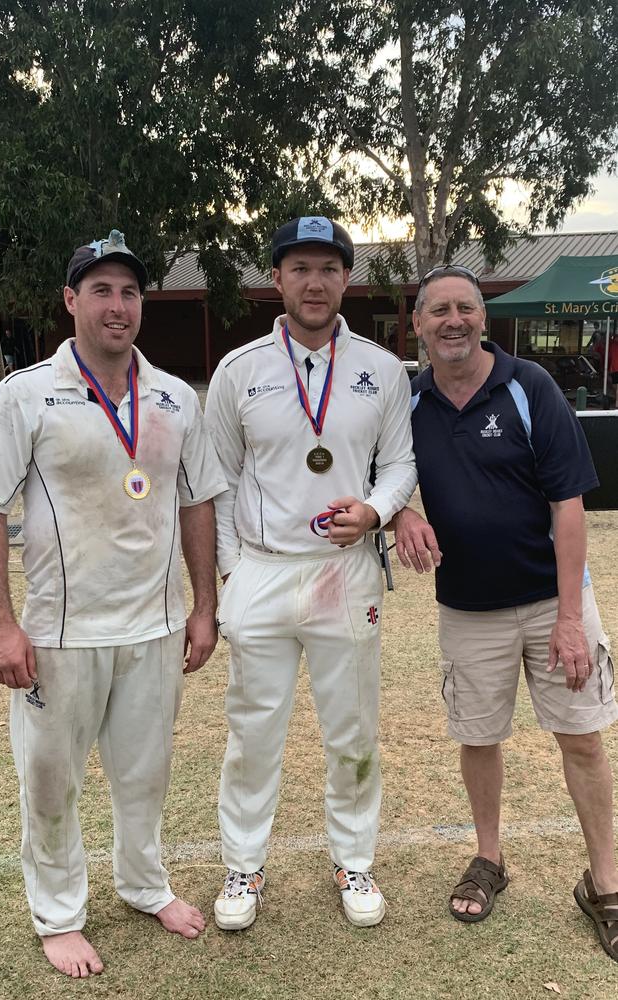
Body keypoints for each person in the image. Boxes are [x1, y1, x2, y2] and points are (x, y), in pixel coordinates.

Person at [0, 230, 227, 977]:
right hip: (58, 633)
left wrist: (203, 606)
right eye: (102, 290)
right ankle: (58, 915)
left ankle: (144, 884)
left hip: (153, 627)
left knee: (146, 773)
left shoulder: (176, 396)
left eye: (130, 292)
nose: (118, 306)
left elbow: (198, 501)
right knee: (52, 780)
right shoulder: (25, 394)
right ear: (71, 301)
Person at [394, 263, 618, 961]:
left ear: (482, 318)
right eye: (440, 311)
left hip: (555, 602)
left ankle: (606, 885)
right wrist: (400, 512)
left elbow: (569, 505)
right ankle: (490, 859)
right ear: (420, 325)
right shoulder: (408, 403)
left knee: (581, 737)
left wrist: (570, 617)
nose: (454, 320)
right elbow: (383, 474)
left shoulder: (530, 388)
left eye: (466, 307)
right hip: (468, 608)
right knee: (480, 736)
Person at [204, 216, 417, 932]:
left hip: (343, 571)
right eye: (300, 268)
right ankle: (244, 864)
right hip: (262, 572)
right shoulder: (239, 371)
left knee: (351, 729)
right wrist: (232, 571)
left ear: (346, 279)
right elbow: (220, 479)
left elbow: (400, 464)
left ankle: (354, 858)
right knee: (251, 732)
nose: (315, 282)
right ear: (277, 280)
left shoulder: (383, 369)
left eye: (329, 268)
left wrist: (380, 511)